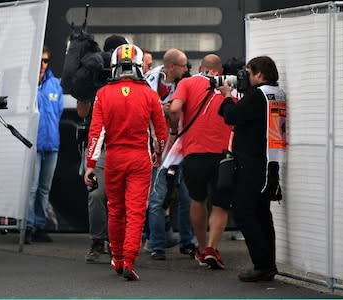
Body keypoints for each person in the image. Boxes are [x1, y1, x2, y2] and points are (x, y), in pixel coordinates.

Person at [84, 44, 167, 281]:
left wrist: (91, 164)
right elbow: (160, 133)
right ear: (140, 66)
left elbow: (96, 133)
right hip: (139, 159)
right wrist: (159, 156)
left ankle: (118, 258)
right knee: (136, 212)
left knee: (116, 210)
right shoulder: (150, 94)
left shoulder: (103, 93)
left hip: (114, 159)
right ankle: (129, 260)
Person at [218, 56, 285, 282]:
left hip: (251, 163)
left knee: (246, 213)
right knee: (262, 214)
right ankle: (268, 263)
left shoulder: (258, 95)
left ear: (258, 74)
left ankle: (262, 264)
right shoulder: (275, 93)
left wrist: (227, 97)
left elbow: (232, 116)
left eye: (248, 73)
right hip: (269, 161)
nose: (245, 77)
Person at [169, 54, 234, 269]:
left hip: (194, 152)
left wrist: (173, 126)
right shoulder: (230, 87)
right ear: (220, 71)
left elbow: (176, 109)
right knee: (220, 203)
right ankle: (212, 249)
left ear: (200, 67)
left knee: (197, 199)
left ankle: (201, 246)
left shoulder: (187, 83)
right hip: (224, 155)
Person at [69, 34, 127, 262]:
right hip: (100, 145)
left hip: (124, 144)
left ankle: (117, 242)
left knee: (121, 197)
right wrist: (88, 88)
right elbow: (83, 113)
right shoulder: (94, 72)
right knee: (96, 194)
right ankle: (97, 241)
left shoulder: (129, 75)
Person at [145, 48, 196, 260]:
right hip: (157, 147)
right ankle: (156, 244)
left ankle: (188, 242)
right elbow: (142, 107)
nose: (188, 69)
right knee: (156, 198)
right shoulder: (149, 79)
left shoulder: (188, 82)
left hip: (182, 145)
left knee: (187, 197)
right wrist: (161, 109)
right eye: (184, 66)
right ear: (172, 66)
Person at [25, 46, 64, 244]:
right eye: (39, 60)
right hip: (32, 144)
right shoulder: (27, 84)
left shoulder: (55, 84)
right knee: (31, 188)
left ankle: (39, 225)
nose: (42, 64)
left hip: (52, 144)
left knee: (43, 189)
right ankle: (28, 227)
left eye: (45, 60)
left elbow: (59, 113)